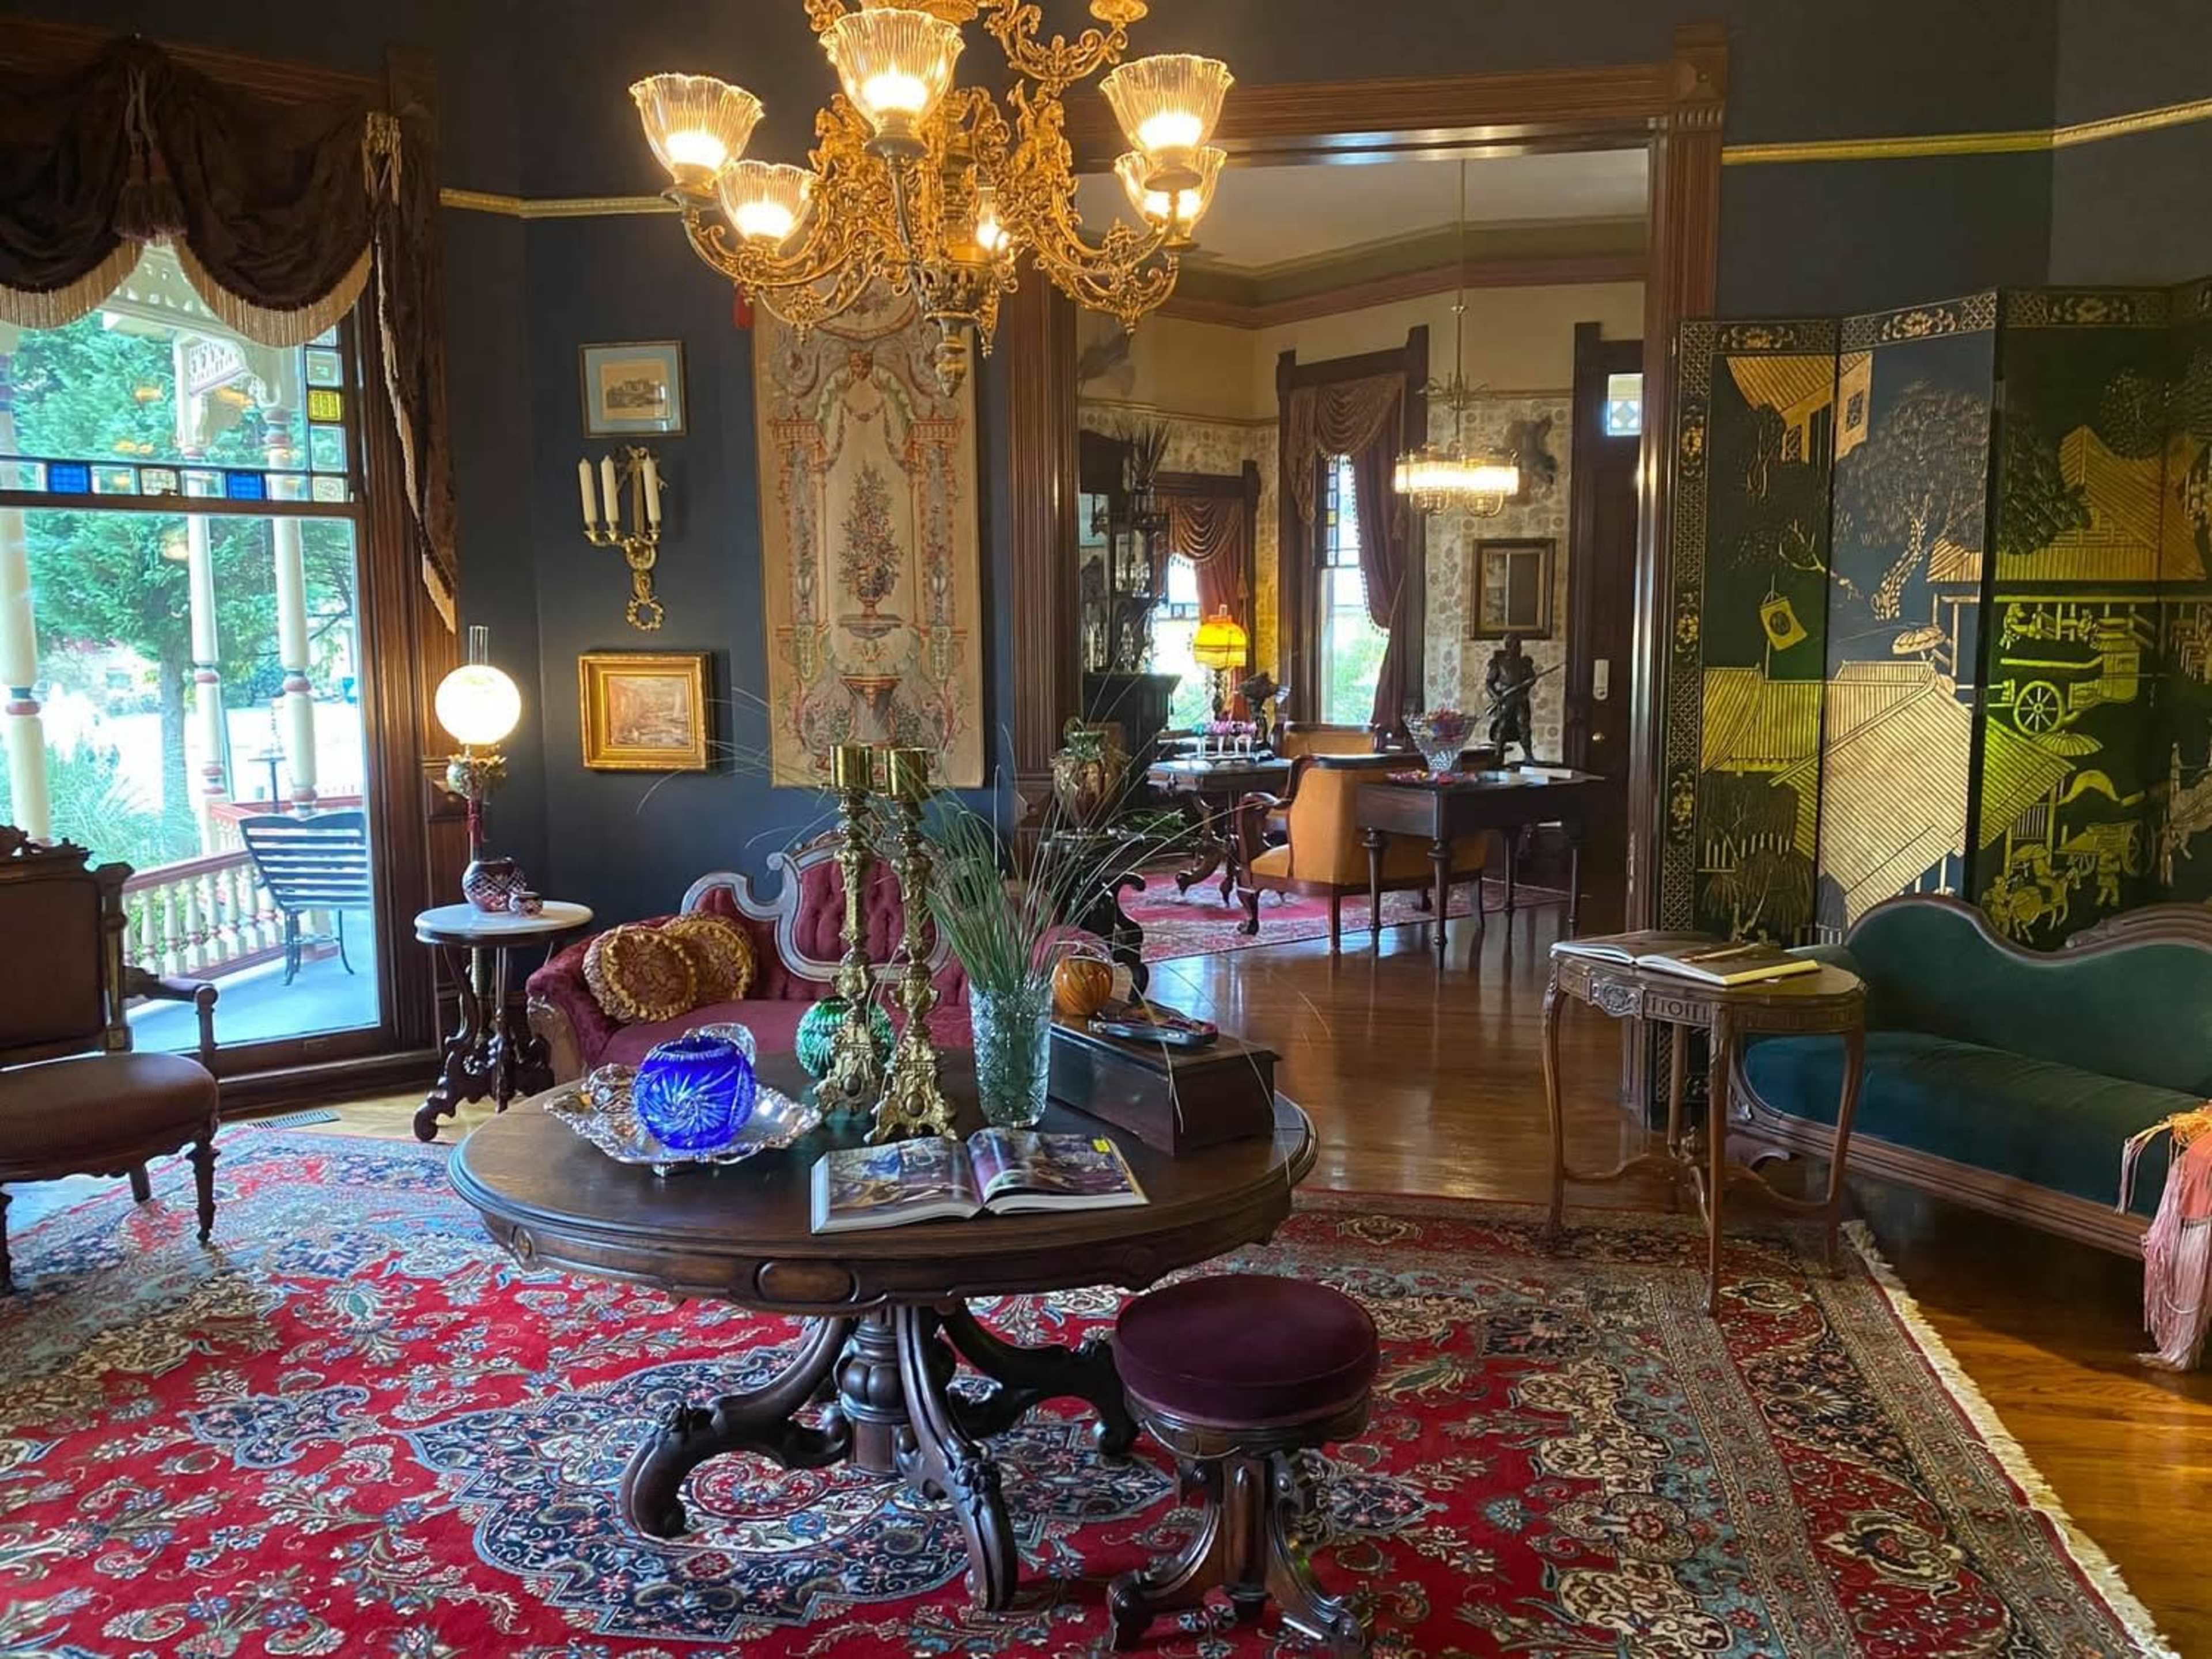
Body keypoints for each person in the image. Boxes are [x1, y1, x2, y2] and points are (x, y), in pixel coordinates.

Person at [1484, 633, 1539, 762]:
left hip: (1521, 699)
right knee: (1502, 727)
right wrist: (1496, 696)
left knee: (1524, 727)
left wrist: (1528, 682)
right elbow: (1489, 683)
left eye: (1519, 644)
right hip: (1506, 700)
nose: (1518, 647)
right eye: (1515, 644)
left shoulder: (1525, 663)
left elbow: (1532, 679)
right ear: (1508, 645)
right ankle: (1498, 754)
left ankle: (1528, 755)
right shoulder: (1499, 663)